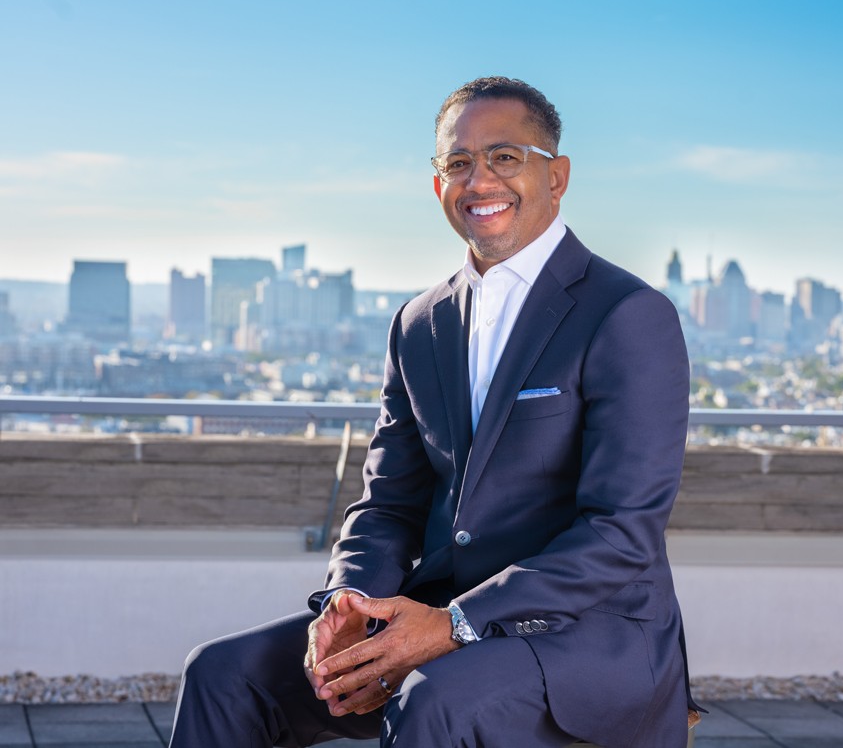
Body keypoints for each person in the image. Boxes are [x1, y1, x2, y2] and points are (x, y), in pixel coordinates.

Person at [170, 76, 697, 748]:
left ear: (557, 177)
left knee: (435, 700)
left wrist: (455, 624)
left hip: (585, 636)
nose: (480, 180)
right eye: (458, 162)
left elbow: (622, 532)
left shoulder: (627, 315)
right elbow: (388, 502)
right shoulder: (418, 324)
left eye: (505, 157)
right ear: (438, 184)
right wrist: (349, 604)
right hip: (434, 611)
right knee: (222, 674)